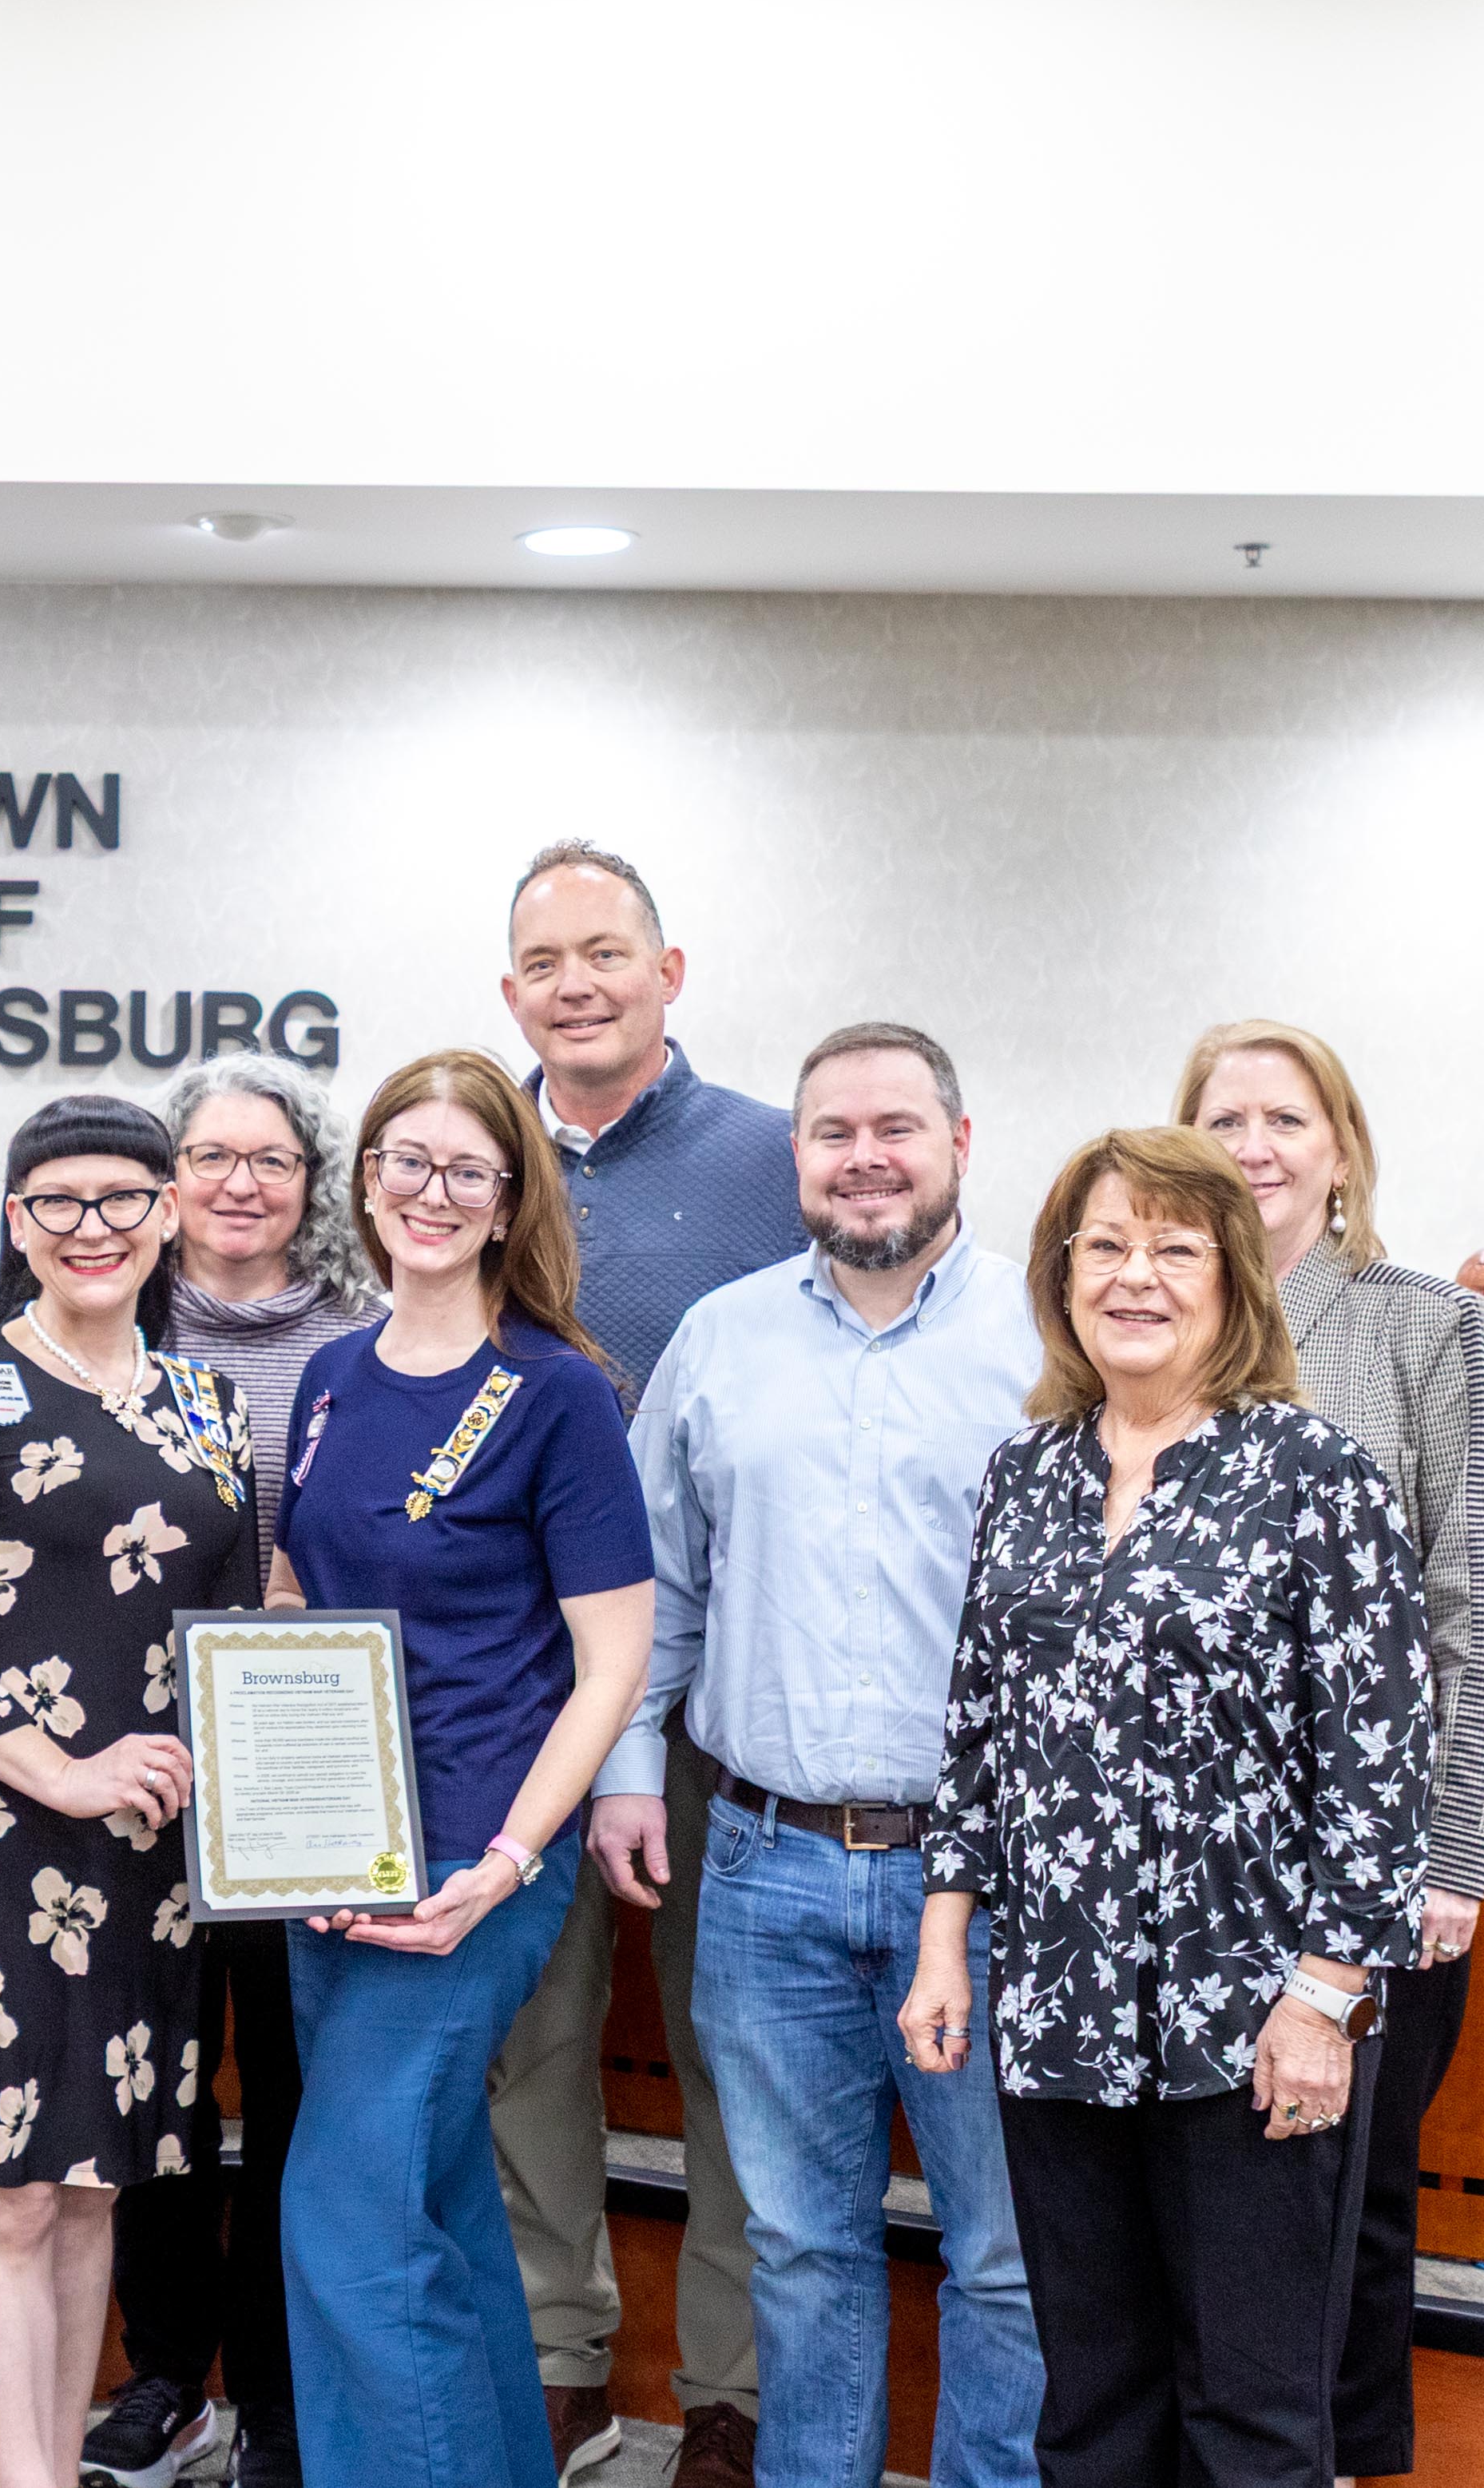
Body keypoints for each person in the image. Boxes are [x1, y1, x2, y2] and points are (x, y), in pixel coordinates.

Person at [905, 1126, 1430, 2488]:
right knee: (1092, 2403)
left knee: (1251, 2413)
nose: (1136, 1276)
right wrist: (947, 1942)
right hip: (1060, 2008)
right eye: (1106, 1245)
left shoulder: (1319, 1476)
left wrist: (1324, 1999)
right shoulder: (1026, 1474)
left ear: (1232, 1279)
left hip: (1252, 2020)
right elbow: (977, 1735)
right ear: (1062, 1273)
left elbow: (1381, 1766)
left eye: (1175, 1248)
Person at [589, 1025, 1043, 2488]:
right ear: (795, 1157)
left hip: (984, 1882)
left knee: (1001, 2255)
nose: (865, 1156)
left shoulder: (1051, 1344)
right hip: (764, 1860)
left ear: (960, 1144)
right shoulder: (722, 1336)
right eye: (833, 1130)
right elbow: (658, 1584)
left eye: (896, 1126)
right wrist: (625, 1769)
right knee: (798, 2245)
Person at [0, 1093, 252, 2488]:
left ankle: (55, 2465)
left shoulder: (208, 1404)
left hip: (147, 1850)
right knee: (7, 2193)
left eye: (124, 1198)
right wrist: (60, 1769)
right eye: (59, 1202)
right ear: (18, 1223)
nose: (94, 1226)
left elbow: (231, 1625)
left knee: (94, 2188)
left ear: (170, 1214)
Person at [270, 1049, 656, 2488]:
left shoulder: (559, 1394)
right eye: (404, 1162)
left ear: (507, 1202)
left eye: (466, 1171)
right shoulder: (328, 1375)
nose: (430, 1193)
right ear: (367, 1184)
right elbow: (309, 1605)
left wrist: (502, 1864)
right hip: (335, 1862)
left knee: (350, 2214)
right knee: (433, 2197)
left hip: (475, 1871)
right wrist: (272, 1804)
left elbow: (612, 1665)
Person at [1176, 1022, 1484, 2484]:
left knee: (1345, 2211)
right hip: (1175, 1866)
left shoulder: (1418, 1328)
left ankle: (1331, 2462)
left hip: (1367, 1877)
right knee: (1205, 2220)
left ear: (1340, 1148)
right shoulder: (1146, 1315)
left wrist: (1453, 1853)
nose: (1254, 1145)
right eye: (1224, 1118)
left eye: (1285, 1117)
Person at [490, 837, 796, 2486]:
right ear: (509, 993)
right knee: (532, 2039)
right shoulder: (473, 1163)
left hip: (712, 1695)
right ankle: (558, 2356)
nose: (577, 983)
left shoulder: (771, 1160)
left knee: (723, 2047)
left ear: (667, 971)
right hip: (514, 1690)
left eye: (605, 951)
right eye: (544, 961)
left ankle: (730, 2389)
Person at [82, 1055, 384, 2488]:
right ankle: (164, 2377)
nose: (238, 1183)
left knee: (290, 2094)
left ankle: (273, 2397)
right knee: (157, 2091)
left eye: (269, 1159)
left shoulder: (371, 1336)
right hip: (129, 1772)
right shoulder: (102, 1320)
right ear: (166, 1179)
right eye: (208, 1156)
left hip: (298, 1771)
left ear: (311, 1185)